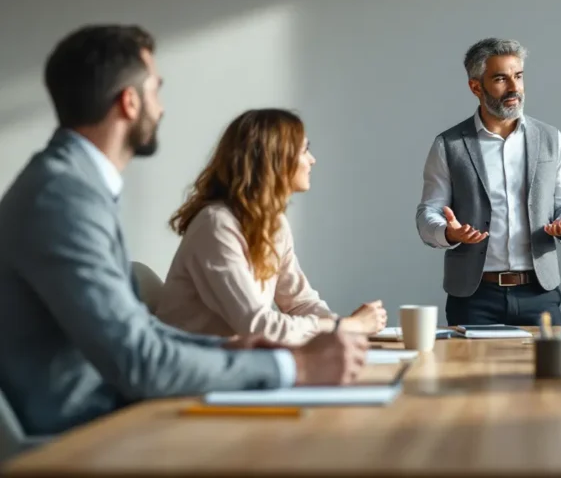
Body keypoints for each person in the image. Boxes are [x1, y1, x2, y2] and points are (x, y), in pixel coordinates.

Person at [0, 25, 368, 436]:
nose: (161, 108)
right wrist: (295, 365)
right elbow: (138, 362)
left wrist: (230, 349)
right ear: (130, 102)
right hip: (81, 434)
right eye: (156, 90)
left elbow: (140, 333)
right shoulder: (63, 198)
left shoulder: (73, 185)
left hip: (112, 414)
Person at [156, 109, 387, 346]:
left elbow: (299, 302)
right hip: (195, 372)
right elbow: (258, 326)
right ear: (275, 159)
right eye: (305, 150)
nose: (312, 160)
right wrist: (346, 326)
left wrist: (342, 328)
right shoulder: (216, 225)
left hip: (234, 363)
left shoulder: (274, 224)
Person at [415, 38, 561, 326]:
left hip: (540, 293)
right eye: (500, 79)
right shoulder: (448, 145)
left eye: (518, 76)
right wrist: (448, 233)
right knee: (470, 373)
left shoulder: (551, 138)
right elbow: (427, 215)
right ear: (476, 87)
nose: (514, 88)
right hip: (474, 297)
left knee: (550, 371)